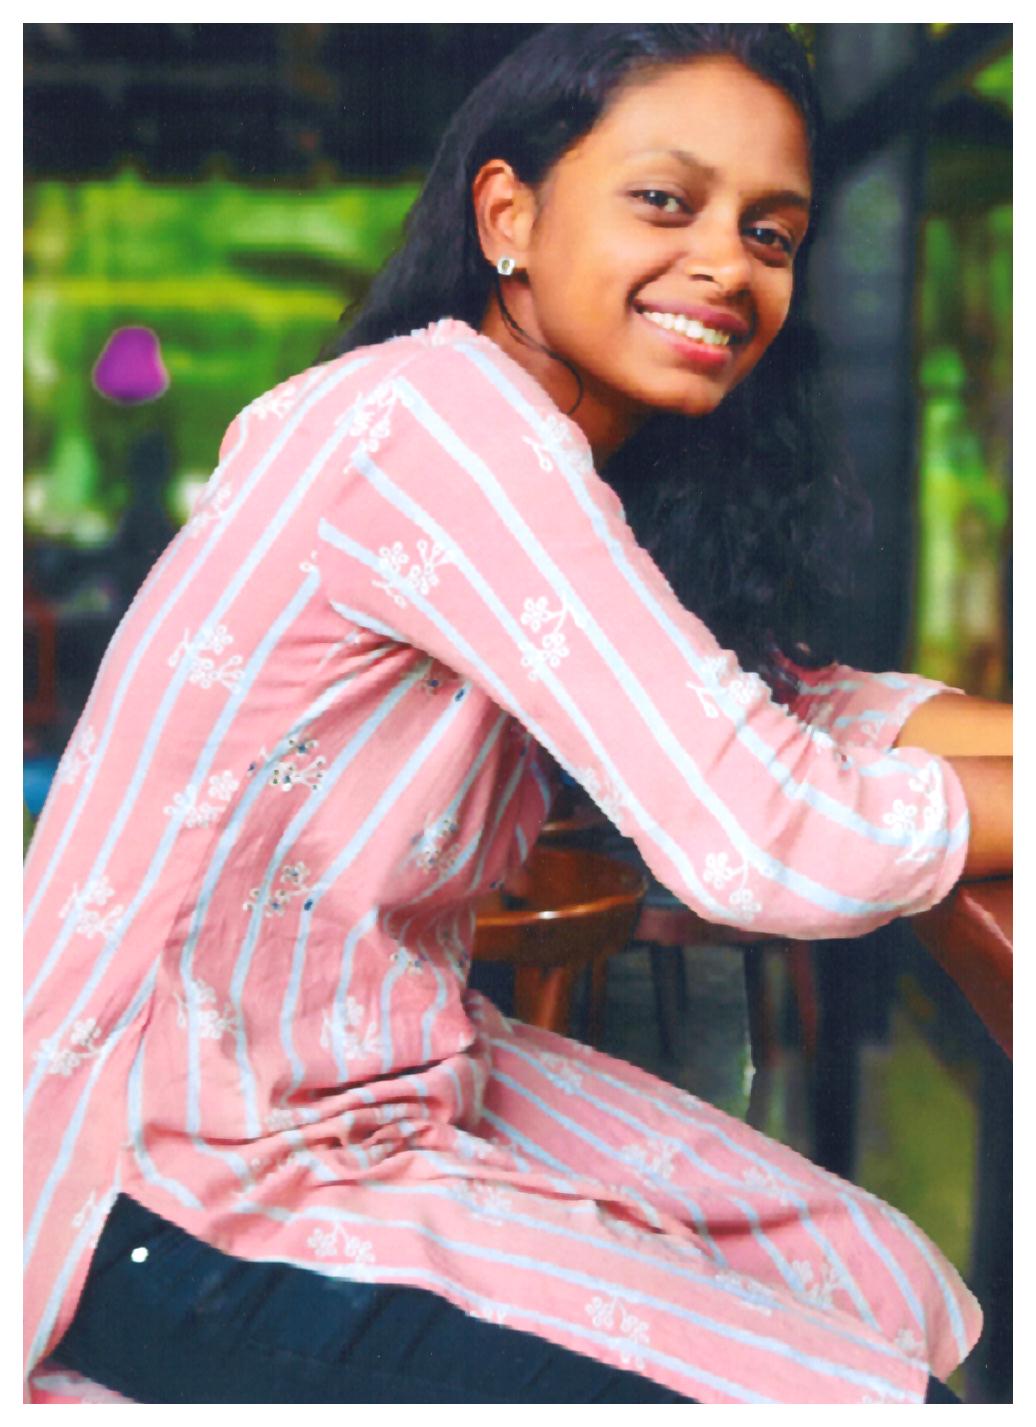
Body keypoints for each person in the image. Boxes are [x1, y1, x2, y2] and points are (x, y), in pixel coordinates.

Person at [24, 23, 1011, 1405]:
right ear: (508, 217)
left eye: (772, 233)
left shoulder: (553, 454)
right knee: (865, 1393)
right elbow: (759, 831)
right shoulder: (437, 421)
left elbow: (767, 708)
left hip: (373, 1077)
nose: (729, 264)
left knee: (882, 1275)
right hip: (164, 1175)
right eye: (665, 201)